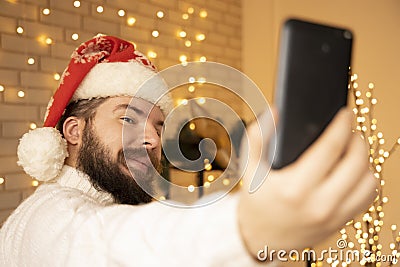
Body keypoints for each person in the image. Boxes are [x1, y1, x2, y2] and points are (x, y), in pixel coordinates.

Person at [0, 35, 376, 266]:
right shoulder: (46, 216)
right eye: (128, 119)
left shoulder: (118, 207)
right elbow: (104, 248)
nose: (150, 140)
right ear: (73, 132)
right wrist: (249, 227)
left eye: (158, 125)